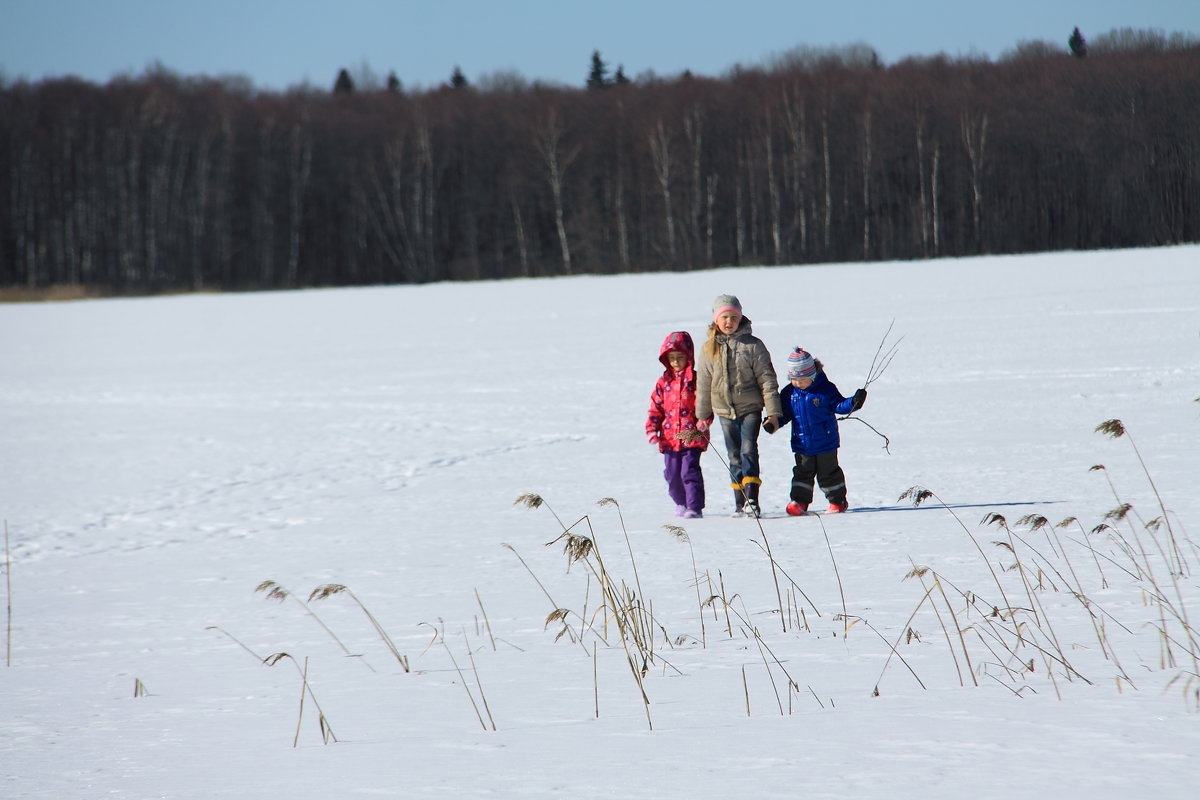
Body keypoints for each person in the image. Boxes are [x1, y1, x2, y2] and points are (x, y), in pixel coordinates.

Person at [695, 295, 782, 518]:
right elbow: (703, 384)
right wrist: (702, 415)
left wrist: (773, 412)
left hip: (750, 408)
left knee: (748, 450)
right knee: (734, 455)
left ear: (740, 318)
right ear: (716, 320)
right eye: (724, 317)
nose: (729, 322)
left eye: (734, 317)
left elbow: (767, 379)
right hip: (724, 411)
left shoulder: (753, 346)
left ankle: (752, 499)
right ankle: (739, 502)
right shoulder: (708, 349)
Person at [771, 347, 867, 515]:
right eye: (794, 379)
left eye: (802, 379)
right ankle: (799, 501)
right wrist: (774, 423)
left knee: (828, 473)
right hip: (802, 444)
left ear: (812, 375)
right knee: (802, 473)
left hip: (826, 442)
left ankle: (838, 501)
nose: (797, 383)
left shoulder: (825, 389)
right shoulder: (789, 393)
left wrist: (853, 402)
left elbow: (838, 405)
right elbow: (784, 414)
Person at [646, 331, 707, 518]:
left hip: (692, 437)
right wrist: (651, 428)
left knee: (689, 471)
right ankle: (680, 502)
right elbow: (656, 407)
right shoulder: (663, 382)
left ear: (688, 357)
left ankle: (694, 506)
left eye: (680, 357)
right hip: (669, 438)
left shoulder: (696, 381)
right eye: (671, 358)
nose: (675, 362)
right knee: (672, 474)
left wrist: (703, 421)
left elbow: (704, 403)